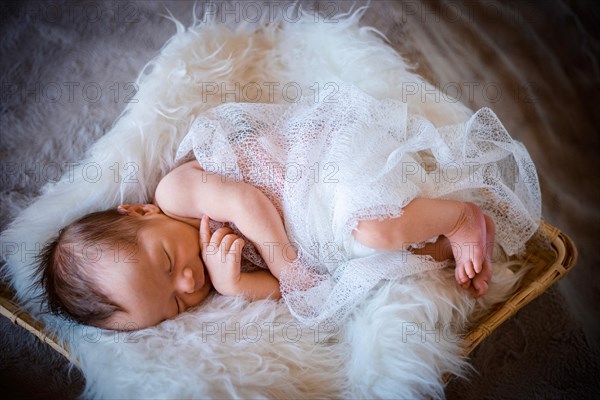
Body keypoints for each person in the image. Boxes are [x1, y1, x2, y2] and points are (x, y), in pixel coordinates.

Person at [38, 84, 539, 330]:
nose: (189, 284)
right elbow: (284, 293)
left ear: (139, 213)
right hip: (317, 228)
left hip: (322, 171)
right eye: (172, 303)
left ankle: (459, 217)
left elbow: (247, 200)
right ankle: (448, 248)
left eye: (166, 264)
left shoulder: (175, 196)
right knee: (374, 268)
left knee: (372, 233)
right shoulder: (215, 274)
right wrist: (237, 284)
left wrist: (284, 263)